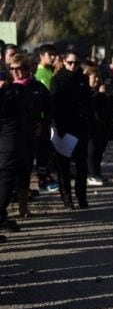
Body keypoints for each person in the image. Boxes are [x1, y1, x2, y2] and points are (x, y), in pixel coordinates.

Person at [51, 50, 95, 209]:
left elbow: (89, 104)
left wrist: (90, 123)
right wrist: (57, 128)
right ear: (64, 62)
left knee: (81, 165)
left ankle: (81, 197)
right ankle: (67, 198)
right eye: (70, 62)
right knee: (63, 167)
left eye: (76, 63)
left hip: (81, 128)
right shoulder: (58, 80)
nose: (73, 66)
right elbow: (54, 106)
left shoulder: (82, 79)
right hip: (64, 129)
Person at [10, 54, 56, 204]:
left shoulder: (37, 87)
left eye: (19, 68)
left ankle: (23, 199)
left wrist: (43, 124)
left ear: (27, 69)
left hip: (31, 134)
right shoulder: (7, 87)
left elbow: (49, 108)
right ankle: (12, 194)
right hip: (10, 136)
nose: (15, 72)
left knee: (26, 166)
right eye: (12, 68)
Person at [0, 61, 27, 239]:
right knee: (5, 180)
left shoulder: (14, 93)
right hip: (7, 145)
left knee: (6, 180)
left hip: (10, 143)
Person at [83, 65, 113, 187]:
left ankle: (97, 174)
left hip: (103, 126)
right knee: (91, 151)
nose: (97, 80)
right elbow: (90, 105)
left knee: (99, 152)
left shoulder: (101, 89)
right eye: (94, 78)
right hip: (90, 126)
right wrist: (100, 94)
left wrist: (112, 94)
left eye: (98, 78)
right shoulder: (84, 91)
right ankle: (91, 175)